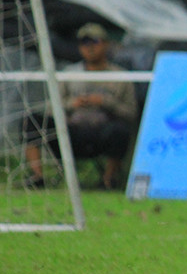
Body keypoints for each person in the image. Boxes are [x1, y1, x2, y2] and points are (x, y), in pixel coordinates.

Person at [24, 23, 138, 190]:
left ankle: (109, 180)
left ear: (106, 44)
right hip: (71, 131)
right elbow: (51, 107)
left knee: (120, 131)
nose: (89, 48)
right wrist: (72, 104)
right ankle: (37, 177)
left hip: (103, 132)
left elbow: (132, 113)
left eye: (95, 42)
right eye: (84, 43)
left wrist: (105, 102)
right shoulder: (69, 73)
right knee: (32, 120)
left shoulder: (120, 76)